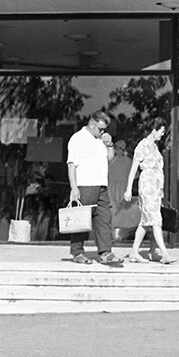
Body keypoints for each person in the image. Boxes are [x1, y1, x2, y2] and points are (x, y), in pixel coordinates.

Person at [64, 110, 123, 265]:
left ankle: (105, 252)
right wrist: (74, 188)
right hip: (85, 184)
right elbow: (71, 165)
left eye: (104, 129)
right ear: (91, 124)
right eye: (100, 129)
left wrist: (109, 144)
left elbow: (110, 158)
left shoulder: (100, 140)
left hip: (101, 185)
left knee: (104, 219)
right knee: (81, 219)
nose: (102, 132)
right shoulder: (78, 138)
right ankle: (77, 252)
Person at [124, 117, 176, 264]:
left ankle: (135, 252)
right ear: (154, 131)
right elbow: (134, 168)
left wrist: (160, 190)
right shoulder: (143, 146)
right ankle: (165, 253)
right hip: (147, 186)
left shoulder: (155, 147)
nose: (162, 134)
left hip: (155, 188)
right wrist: (128, 189)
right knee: (155, 221)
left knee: (146, 222)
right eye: (161, 131)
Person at [106, 137, 140, 242]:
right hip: (111, 187)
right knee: (112, 210)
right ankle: (112, 233)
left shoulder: (128, 162)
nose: (118, 150)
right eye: (116, 148)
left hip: (124, 188)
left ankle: (119, 233)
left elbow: (135, 176)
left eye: (120, 148)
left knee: (121, 211)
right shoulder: (110, 161)